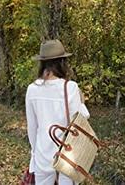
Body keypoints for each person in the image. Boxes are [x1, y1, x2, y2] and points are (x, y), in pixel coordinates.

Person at [26, 39, 90, 184]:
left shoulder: (32, 89)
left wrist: (35, 153)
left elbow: (32, 127)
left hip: (42, 155)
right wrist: (82, 101)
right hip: (66, 155)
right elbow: (81, 119)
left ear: (42, 62)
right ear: (62, 62)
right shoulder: (70, 87)